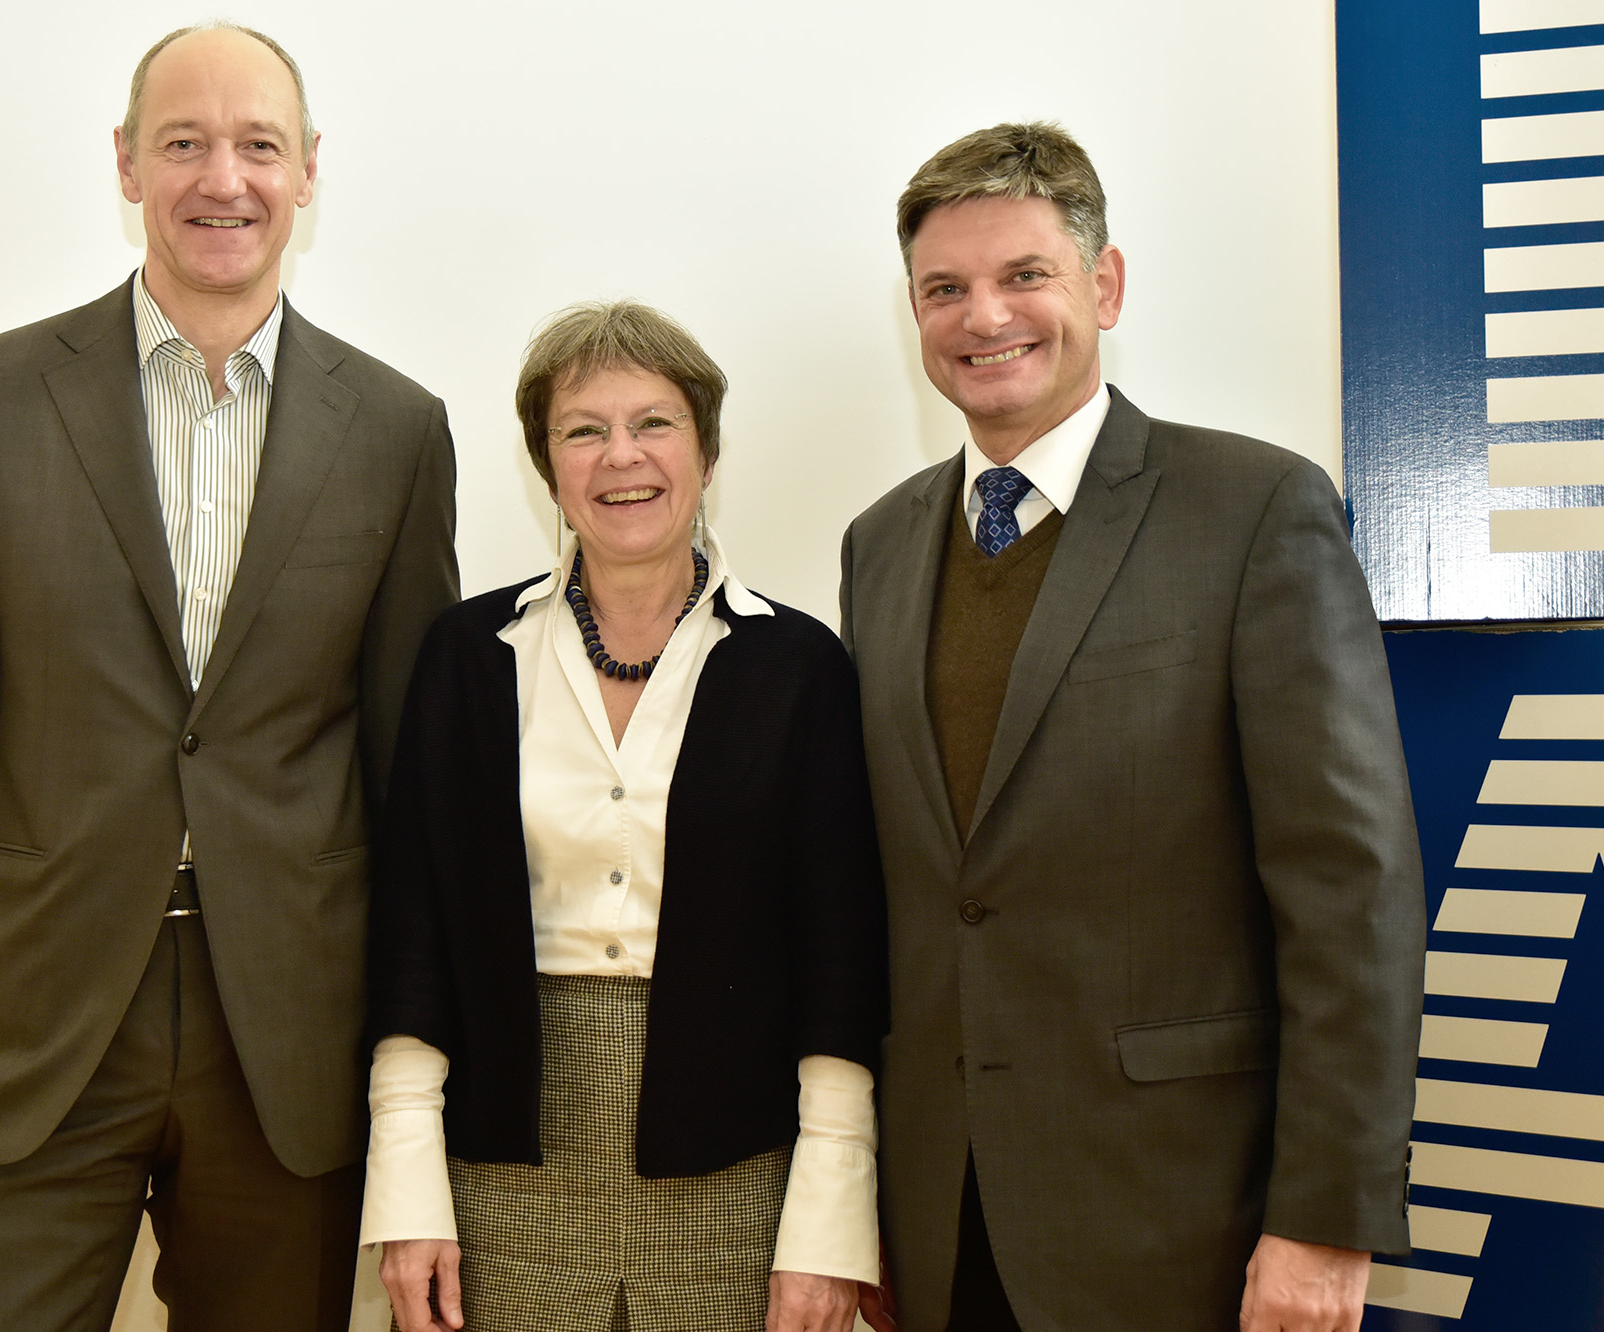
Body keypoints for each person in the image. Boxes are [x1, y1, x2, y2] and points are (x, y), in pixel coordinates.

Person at [0, 23, 457, 1330]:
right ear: (126, 164)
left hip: (288, 1044)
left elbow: (412, 782)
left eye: (256, 145)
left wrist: (417, 1090)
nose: (221, 178)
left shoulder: (398, 432)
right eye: (183, 143)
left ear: (307, 172)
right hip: (29, 1028)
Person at [841, 122, 1426, 1332]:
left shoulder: (1254, 509)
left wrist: (1322, 1219)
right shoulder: (879, 545)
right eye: (943, 289)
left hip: (1183, 1221)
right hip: (943, 1220)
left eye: (1023, 276)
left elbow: (1348, 890)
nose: (981, 316)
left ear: (1102, 286)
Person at [360, 301, 889, 1332]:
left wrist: (827, 1228)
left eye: (654, 422)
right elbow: (412, 941)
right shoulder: (468, 657)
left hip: (736, 1165)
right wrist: (408, 1194)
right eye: (582, 430)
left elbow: (838, 968)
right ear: (545, 466)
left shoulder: (801, 668)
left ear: (705, 449)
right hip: (501, 1162)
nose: (621, 458)